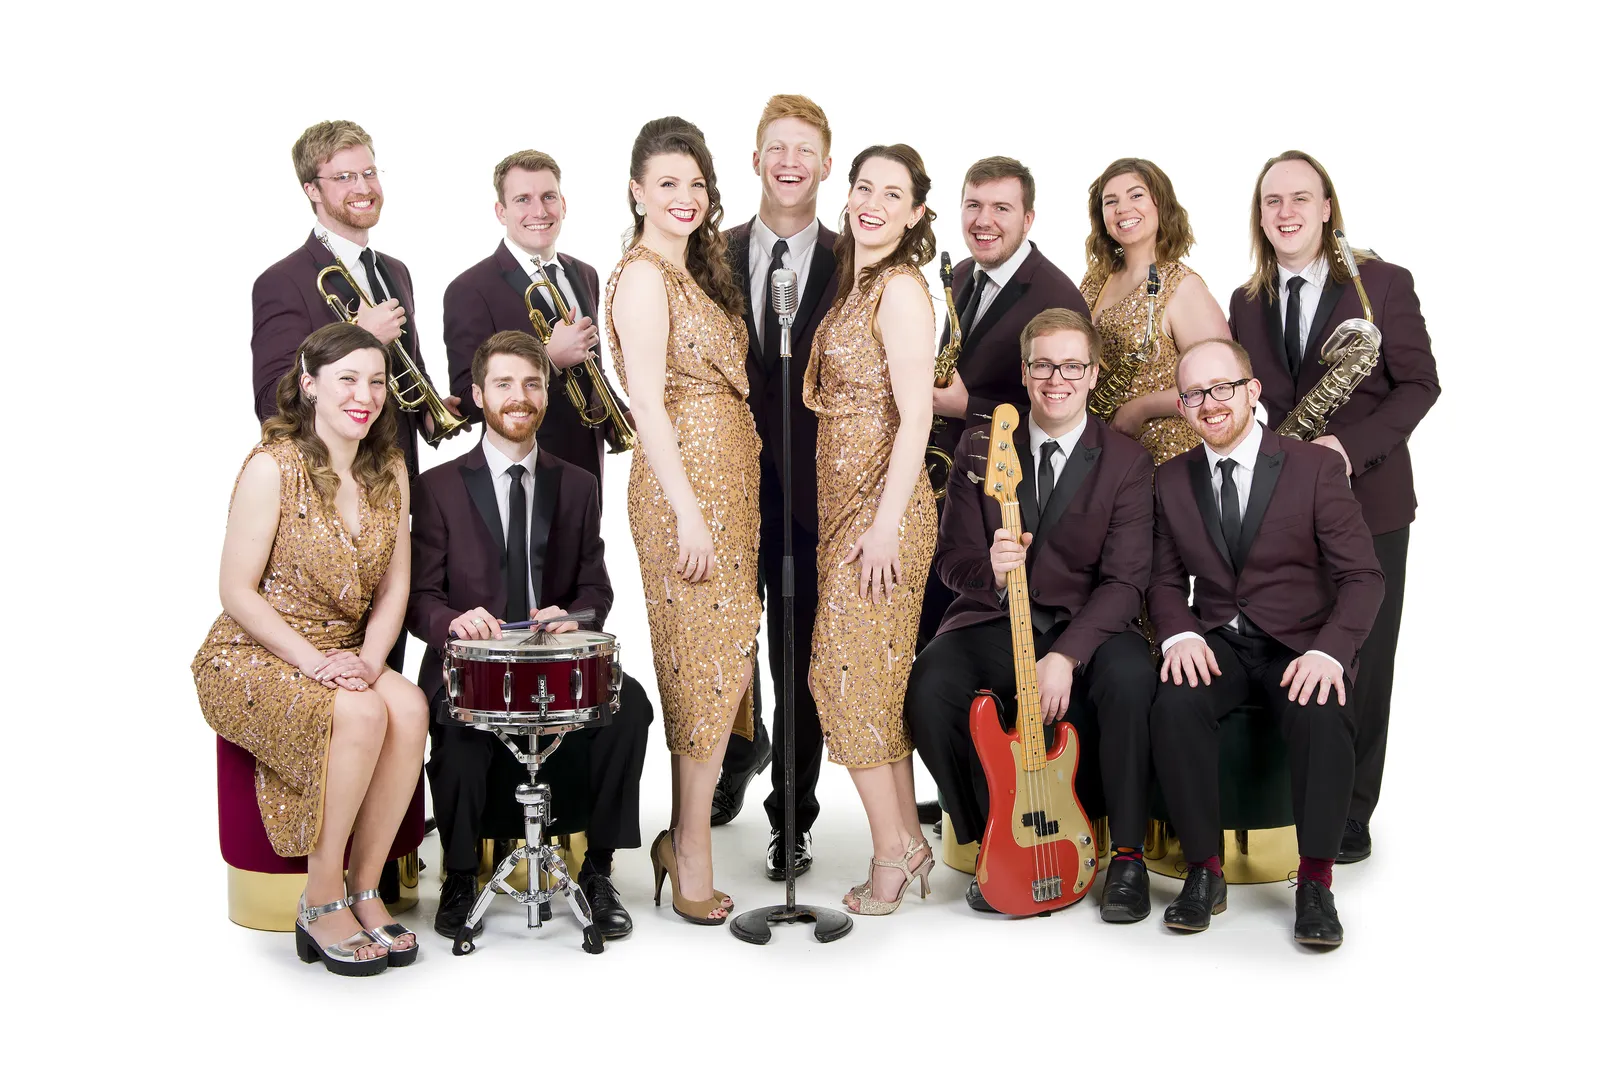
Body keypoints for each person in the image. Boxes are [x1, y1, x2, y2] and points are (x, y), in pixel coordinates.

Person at [907, 309, 1158, 921]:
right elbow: (952, 562)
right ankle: (988, 841)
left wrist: (1066, 656)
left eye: (1071, 366)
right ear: (1023, 372)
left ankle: (1127, 857)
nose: (1056, 380)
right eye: (1043, 365)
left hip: (1087, 625)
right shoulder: (979, 446)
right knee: (932, 684)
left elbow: (1126, 582)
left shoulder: (1126, 461)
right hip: (996, 618)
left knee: (1130, 678)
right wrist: (991, 571)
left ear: (1093, 374)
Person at [194, 322, 429, 975]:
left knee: (409, 707)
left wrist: (371, 661)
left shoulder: (390, 469)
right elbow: (236, 591)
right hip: (255, 649)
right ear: (309, 385)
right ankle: (320, 897)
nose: (364, 395)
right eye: (347, 379)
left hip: (345, 649)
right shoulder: (272, 466)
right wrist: (314, 662)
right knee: (362, 711)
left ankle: (364, 888)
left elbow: (396, 586)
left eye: (376, 381)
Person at [1229, 150, 1440, 863]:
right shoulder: (1246, 301)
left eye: (1300, 198)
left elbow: (1420, 385)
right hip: (1284, 506)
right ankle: (1292, 796)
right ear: (1260, 217)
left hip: (1369, 501)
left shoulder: (1383, 283)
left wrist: (1349, 447)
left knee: (1364, 660)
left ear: (1326, 208)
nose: (1285, 212)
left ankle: (1352, 811)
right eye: (1272, 201)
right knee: (1291, 647)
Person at [407, 330, 653, 942]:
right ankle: (460, 874)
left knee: (630, 707)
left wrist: (577, 616)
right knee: (456, 725)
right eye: (504, 384)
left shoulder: (578, 484)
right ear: (478, 394)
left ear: (546, 394)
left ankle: (598, 870)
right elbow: (420, 598)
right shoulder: (437, 487)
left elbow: (596, 589)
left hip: (551, 667)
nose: (519, 396)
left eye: (532, 383)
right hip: (470, 668)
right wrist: (452, 623)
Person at [1148, 338, 1384, 948]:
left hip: (1300, 643)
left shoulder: (1314, 468)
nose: (1209, 403)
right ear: (1182, 405)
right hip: (1220, 641)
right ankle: (1204, 870)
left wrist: (1330, 651)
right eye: (1194, 394)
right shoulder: (1171, 479)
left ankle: (1316, 882)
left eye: (1222, 388)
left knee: (1322, 709)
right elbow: (1164, 581)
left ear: (1252, 392)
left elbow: (1363, 577)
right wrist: (1179, 633)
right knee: (1174, 701)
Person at [605, 117, 759, 926]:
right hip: (685, 497)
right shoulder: (641, 277)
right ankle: (689, 846)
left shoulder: (690, 272)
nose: (685, 197)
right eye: (668, 183)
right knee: (700, 669)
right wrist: (690, 514)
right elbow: (649, 407)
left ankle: (683, 836)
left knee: (725, 668)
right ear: (637, 191)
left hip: (730, 491)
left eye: (696, 184)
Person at [803, 144, 940, 916]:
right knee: (871, 684)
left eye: (893, 194)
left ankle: (892, 850)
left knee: (843, 677)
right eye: (864, 187)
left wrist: (886, 526)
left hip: (883, 513)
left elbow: (916, 416)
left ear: (916, 212)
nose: (873, 204)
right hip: (845, 511)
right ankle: (906, 840)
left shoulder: (900, 289)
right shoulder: (854, 283)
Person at [715, 94, 838, 879]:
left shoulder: (853, 259)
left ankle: (791, 816)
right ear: (755, 159)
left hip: (813, 495)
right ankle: (736, 749)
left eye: (805, 150)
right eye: (777, 148)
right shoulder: (711, 254)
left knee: (797, 660)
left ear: (826, 164)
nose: (790, 163)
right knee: (724, 645)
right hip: (723, 485)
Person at [920, 156, 1090, 647]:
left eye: (1001, 208)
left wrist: (966, 407)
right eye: (973, 205)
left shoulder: (1057, 297)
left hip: (1007, 495)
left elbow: (1066, 409)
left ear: (1028, 219)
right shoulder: (963, 274)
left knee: (969, 636)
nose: (983, 220)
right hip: (950, 481)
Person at [251, 120, 461, 479]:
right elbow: (271, 402)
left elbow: (408, 368)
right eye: (344, 177)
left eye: (369, 173)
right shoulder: (282, 281)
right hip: (332, 485)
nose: (363, 187)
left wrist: (429, 413)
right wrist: (359, 340)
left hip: (400, 478)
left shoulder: (395, 271)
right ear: (312, 190)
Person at [442, 150, 621, 491]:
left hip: (588, 469)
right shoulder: (469, 288)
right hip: (519, 473)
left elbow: (590, 367)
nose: (539, 211)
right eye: (523, 199)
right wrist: (548, 359)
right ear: (501, 211)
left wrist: (621, 414)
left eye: (548, 197)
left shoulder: (585, 273)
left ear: (563, 204)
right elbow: (467, 397)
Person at [1079, 158, 1230, 466]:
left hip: (1164, 458)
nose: (1123, 209)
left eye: (1136, 195)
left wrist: (1141, 408)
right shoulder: (1094, 279)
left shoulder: (1183, 286)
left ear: (1161, 204)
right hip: (1101, 452)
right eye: (1111, 201)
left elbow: (1222, 380)